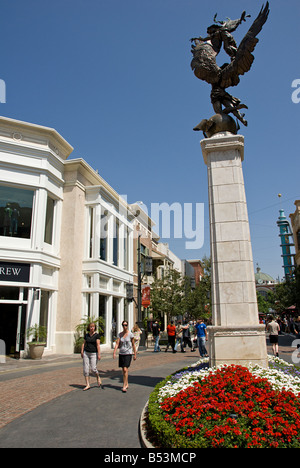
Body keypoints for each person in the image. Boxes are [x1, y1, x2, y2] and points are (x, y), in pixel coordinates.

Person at [113, 321, 137, 393]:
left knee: (125, 369)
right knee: (123, 370)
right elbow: (117, 344)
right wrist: (114, 352)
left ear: (127, 325)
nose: (124, 326)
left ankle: (124, 385)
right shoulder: (120, 334)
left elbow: (133, 344)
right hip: (121, 353)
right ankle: (126, 383)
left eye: (126, 325)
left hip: (128, 353)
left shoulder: (130, 334)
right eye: (123, 325)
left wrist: (135, 354)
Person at [81, 322, 103, 391]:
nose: (92, 328)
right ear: (89, 328)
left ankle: (97, 377)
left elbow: (98, 345)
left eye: (93, 327)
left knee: (93, 369)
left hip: (94, 353)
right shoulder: (86, 335)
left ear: (95, 328)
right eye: (91, 327)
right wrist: (82, 351)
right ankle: (87, 384)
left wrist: (99, 354)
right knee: (86, 369)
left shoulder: (97, 336)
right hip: (86, 353)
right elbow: (84, 343)